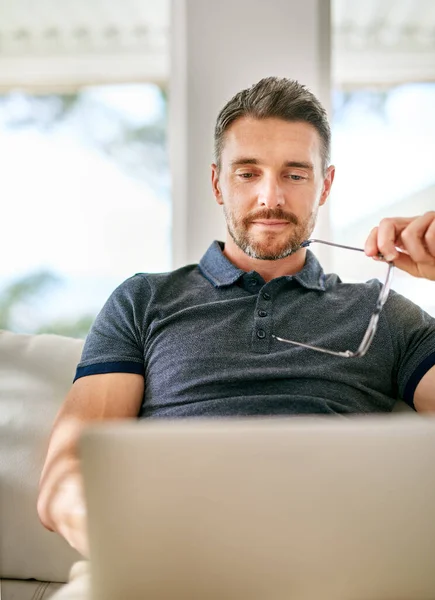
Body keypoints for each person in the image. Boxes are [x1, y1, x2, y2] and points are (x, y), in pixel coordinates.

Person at [38, 77, 435, 597]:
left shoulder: (383, 314)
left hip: (335, 576)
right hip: (159, 572)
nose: (271, 196)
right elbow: (63, 478)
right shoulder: (143, 301)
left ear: (326, 184)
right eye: (248, 173)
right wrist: (152, 549)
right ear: (218, 183)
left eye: (295, 174)